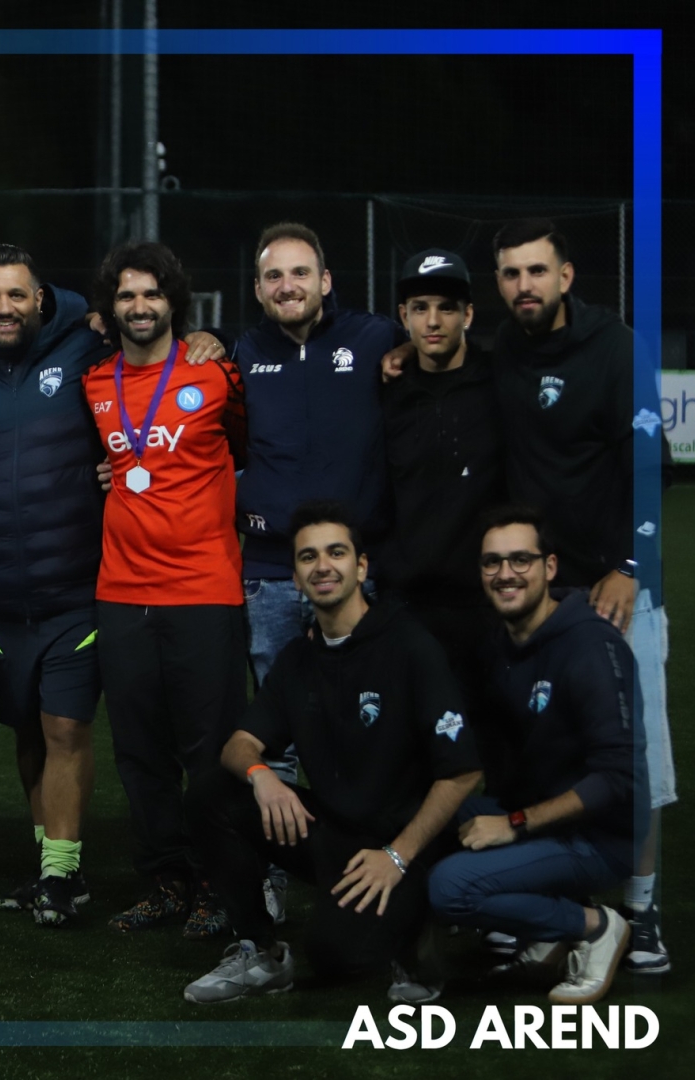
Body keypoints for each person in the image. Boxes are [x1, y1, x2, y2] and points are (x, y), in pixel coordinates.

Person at [181, 501, 481, 1005]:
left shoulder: (410, 646)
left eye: (336, 553)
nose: (323, 566)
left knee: (336, 957)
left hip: (406, 847)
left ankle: (415, 936)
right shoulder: (300, 658)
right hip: (335, 835)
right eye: (308, 557)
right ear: (296, 577)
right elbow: (240, 744)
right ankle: (261, 952)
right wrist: (262, 776)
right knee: (211, 794)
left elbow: (462, 772)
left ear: (361, 567)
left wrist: (398, 856)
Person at [488, 219, 675, 974]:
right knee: (542, 758)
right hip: (538, 598)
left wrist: (631, 566)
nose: (524, 286)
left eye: (537, 271)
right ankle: (550, 909)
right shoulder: (502, 354)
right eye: (510, 274)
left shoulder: (616, 348)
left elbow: (652, 466)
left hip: (617, 591)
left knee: (636, 758)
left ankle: (644, 913)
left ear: (565, 276)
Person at [233, 222, 405, 922]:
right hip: (270, 572)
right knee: (276, 731)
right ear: (257, 289)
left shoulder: (376, 338)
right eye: (274, 276)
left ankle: (374, 869)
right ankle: (274, 881)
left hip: (357, 574)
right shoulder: (241, 353)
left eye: (300, 273)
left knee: (367, 725)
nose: (288, 286)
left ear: (326, 281)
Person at [82, 242, 248, 939]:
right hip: (122, 592)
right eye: (126, 295)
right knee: (138, 751)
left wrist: (220, 339)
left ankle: (219, 885)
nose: (140, 306)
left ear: (174, 301)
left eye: (152, 293)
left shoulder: (216, 372)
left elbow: (246, 445)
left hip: (205, 589)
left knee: (209, 753)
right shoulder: (95, 382)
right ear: (110, 308)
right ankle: (165, 880)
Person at [427, 506, 644, 1005]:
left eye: (520, 559)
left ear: (550, 567)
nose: (505, 573)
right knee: (423, 812)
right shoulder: (499, 640)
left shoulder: (590, 645)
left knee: (450, 888)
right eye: (492, 562)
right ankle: (548, 931)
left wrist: (515, 824)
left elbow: (619, 778)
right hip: (541, 819)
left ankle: (595, 927)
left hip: (600, 837)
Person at [0, 244, 107, 926]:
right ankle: (51, 861)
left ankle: (62, 875)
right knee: (26, 729)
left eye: (17, 295)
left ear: (41, 299)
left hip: (73, 588)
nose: (4, 309)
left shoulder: (82, 346)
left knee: (65, 726)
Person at [377, 249, 506, 681]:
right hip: (403, 605)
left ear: (467, 314)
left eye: (446, 308)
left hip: (485, 606)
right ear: (404, 316)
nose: (432, 321)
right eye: (420, 308)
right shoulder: (385, 390)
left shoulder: (499, 383)